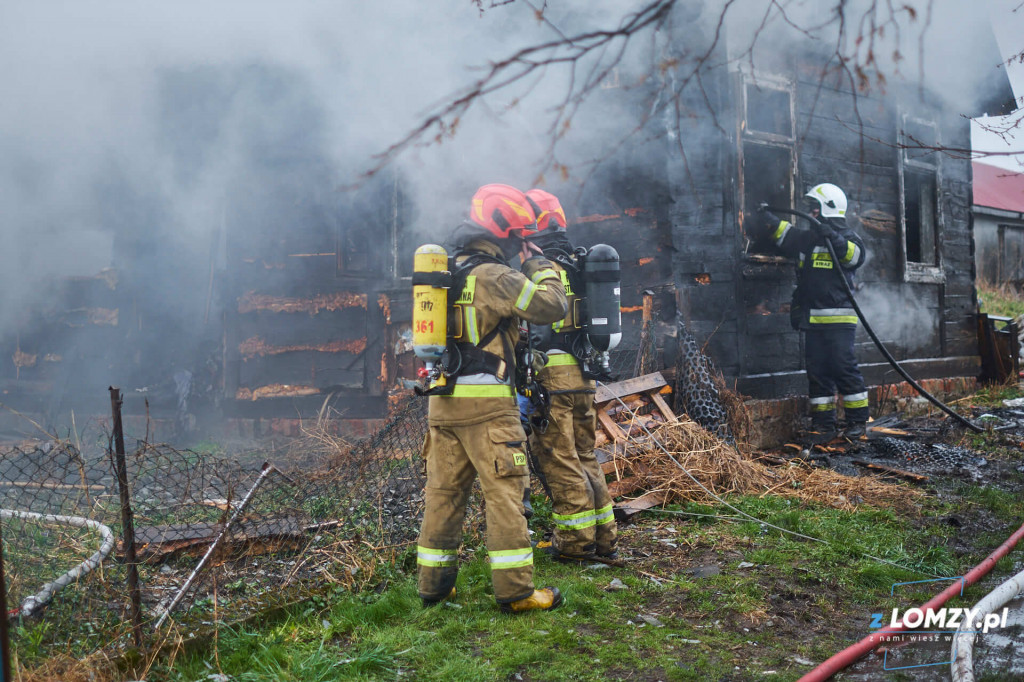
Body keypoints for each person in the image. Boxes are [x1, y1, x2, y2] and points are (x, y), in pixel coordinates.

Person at [416, 183, 569, 613]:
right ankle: (517, 592)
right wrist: (539, 261)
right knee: (503, 493)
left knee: (443, 494)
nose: (520, 245)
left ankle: (434, 587)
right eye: (518, 238)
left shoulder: (447, 270)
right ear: (504, 234)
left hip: (442, 402)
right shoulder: (496, 276)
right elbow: (551, 306)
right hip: (487, 406)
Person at [521, 188, 618, 561]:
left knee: (559, 459)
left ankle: (576, 545)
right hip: (584, 377)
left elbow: (539, 332)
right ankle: (605, 538)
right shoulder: (581, 265)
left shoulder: (541, 268)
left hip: (552, 382)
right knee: (585, 455)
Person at [754, 183, 870, 442]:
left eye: (815, 209)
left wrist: (834, 237)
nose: (812, 214)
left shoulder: (848, 238)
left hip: (840, 321)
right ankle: (824, 426)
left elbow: (855, 257)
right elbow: (785, 234)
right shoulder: (808, 239)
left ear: (829, 209)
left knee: (843, 368)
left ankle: (857, 423)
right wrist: (764, 215)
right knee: (817, 372)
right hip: (813, 321)